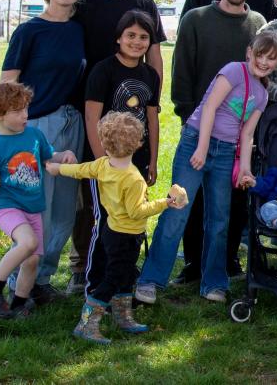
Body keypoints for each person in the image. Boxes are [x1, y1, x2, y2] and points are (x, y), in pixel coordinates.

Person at [136, 32, 277, 305]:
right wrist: (201, 148)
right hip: (196, 140)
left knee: (219, 219)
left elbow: (248, 134)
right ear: (249, 52)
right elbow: (211, 107)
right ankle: (150, 280)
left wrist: (246, 170)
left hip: (226, 153)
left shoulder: (262, 94)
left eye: (271, 59)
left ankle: (214, 282)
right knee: (177, 209)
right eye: (260, 54)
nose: (264, 62)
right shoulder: (233, 71)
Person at [69, 0, 167, 295]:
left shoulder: (144, 4)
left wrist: (151, 97)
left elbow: (155, 56)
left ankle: (126, 264)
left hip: (133, 114)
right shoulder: (84, 3)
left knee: (130, 193)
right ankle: (82, 265)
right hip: (92, 108)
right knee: (90, 194)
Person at [170, 0, 268, 287]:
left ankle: (226, 260)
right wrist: (186, 113)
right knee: (193, 198)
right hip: (200, 124)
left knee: (230, 201)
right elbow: (181, 69)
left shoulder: (258, 23)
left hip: (237, 133)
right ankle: (193, 262)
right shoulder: (196, 19)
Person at [50, 112, 186, 344]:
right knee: (114, 278)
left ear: (103, 142)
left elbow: (80, 170)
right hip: (127, 235)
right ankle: (87, 324)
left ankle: (123, 317)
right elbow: (137, 211)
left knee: (124, 274)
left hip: (110, 230)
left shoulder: (103, 165)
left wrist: (57, 169)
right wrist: (166, 203)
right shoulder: (133, 178)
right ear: (138, 144)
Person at [0, 0, 87, 302]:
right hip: (36, 124)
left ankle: (42, 279)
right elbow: (8, 83)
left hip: (72, 123)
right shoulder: (29, 31)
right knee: (39, 210)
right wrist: (14, 130)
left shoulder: (79, 29)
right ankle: (18, 282)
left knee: (65, 210)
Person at [0, 81, 76, 318]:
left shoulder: (34, 135)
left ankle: (19, 304)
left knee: (32, 261)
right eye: (17, 111)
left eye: (25, 109)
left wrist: (65, 155)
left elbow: (49, 157)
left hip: (33, 208)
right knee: (28, 243)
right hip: (7, 208)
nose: (25, 115)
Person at [83, 10, 160, 184]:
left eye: (143, 37)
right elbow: (91, 118)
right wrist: (103, 164)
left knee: (135, 209)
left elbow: (152, 119)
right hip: (108, 156)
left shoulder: (151, 75)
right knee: (108, 211)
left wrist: (152, 161)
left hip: (138, 156)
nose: (137, 42)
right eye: (131, 35)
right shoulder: (103, 71)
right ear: (119, 38)